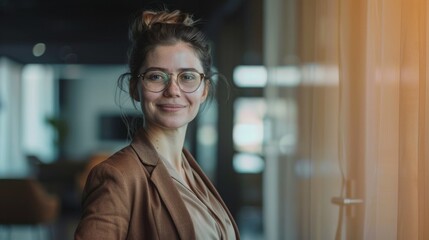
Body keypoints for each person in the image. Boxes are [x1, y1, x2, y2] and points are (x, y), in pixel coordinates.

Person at [74, 8, 240, 240]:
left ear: (204, 90)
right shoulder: (117, 176)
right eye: (156, 76)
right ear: (135, 88)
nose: (173, 90)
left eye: (188, 76)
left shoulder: (191, 172)